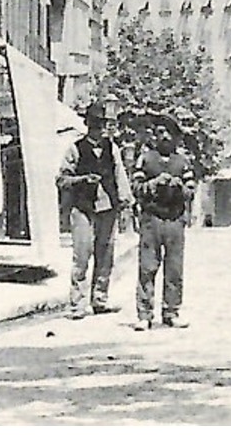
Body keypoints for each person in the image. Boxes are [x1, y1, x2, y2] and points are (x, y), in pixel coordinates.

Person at [57, 102, 133, 319]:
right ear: (87, 124)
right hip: (83, 209)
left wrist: (125, 200)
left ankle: (100, 299)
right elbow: (61, 179)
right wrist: (82, 180)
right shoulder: (75, 148)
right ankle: (77, 304)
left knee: (106, 254)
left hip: (107, 208)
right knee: (82, 255)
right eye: (95, 124)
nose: (99, 129)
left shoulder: (112, 148)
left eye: (102, 124)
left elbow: (119, 175)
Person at [132, 124, 195, 330]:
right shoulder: (146, 159)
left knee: (175, 267)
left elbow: (191, 191)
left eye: (169, 133)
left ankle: (171, 311)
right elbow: (136, 188)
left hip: (175, 219)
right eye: (160, 132)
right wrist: (153, 184)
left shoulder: (182, 161)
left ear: (176, 137)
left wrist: (179, 186)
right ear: (155, 136)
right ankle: (144, 314)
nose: (165, 137)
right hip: (152, 219)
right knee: (148, 266)